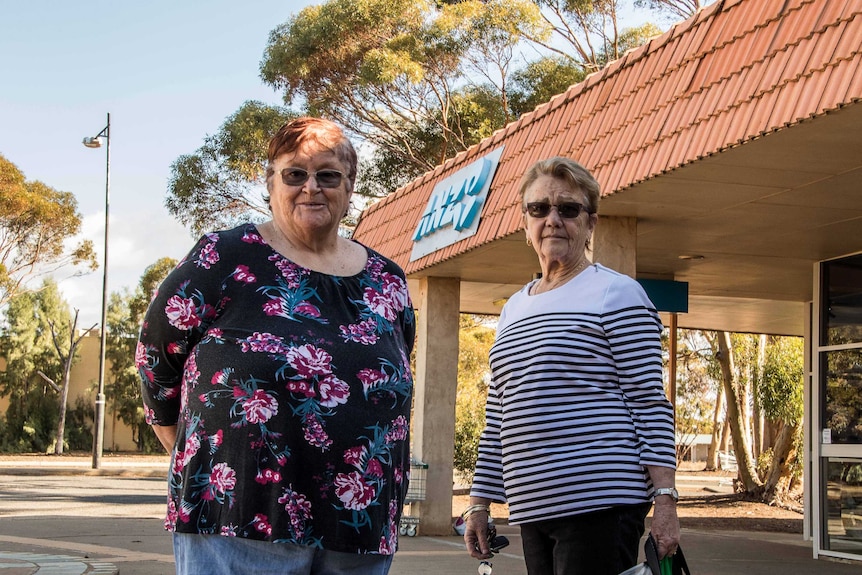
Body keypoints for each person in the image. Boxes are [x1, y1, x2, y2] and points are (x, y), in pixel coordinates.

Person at [136, 117, 416, 575]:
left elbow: (398, 366)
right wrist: (175, 433)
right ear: (271, 182)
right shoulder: (223, 257)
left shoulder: (387, 280)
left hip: (358, 527)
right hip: (238, 518)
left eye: (328, 175)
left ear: (350, 186)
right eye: (295, 174)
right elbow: (155, 351)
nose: (311, 187)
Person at [463, 156, 680, 575]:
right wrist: (478, 503)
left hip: (602, 502)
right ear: (525, 223)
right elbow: (498, 417)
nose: (553, 219)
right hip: (532, 508)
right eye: (539, 208)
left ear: (590, 222)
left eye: (568, 209)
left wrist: (665, 501)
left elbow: (649, 404)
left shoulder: (617, 294)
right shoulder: (513, 309)